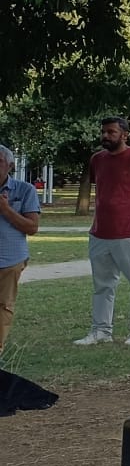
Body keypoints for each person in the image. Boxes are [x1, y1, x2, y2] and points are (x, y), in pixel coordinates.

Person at [74, 116, 130, 346]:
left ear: (124, 134)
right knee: (102, 285)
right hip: (100, 232)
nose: (105, 136)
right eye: (103, 132)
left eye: (111, 132)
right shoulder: (97, 160)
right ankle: (101, 330)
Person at [0, 145, 42, 359]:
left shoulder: (25, 190)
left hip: (9, 260)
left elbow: (32, 228)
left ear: (10, 165)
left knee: (3, 306)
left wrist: (6, 210)